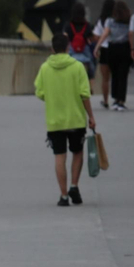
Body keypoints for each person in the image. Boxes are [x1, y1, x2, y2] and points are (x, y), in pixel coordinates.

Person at [33, 35, 98, 207]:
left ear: (52, 49)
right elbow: (85, 94)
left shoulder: (45, 68)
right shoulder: (77, 67)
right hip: (76, 119)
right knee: (77, 152)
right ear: (68, 47)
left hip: (55, 121)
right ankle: (74, 186)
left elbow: (39, 92)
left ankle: (63, 196)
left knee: (59, 156)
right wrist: (91, 116)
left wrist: (53, 97)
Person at [101, 0, 133, 112]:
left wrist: (98, 46)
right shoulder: (129, 21)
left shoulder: (110, 20)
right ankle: (121, 100)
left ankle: (114, 98)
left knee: (114, 74)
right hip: (124, 48)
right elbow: (131, 35)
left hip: (112, 48)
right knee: (123, 75)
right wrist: (133, 48)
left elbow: (105, 33)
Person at [63, 2, 96, 80]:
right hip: (85, 52)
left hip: (72, 51)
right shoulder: (87, 25)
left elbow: (64, 38)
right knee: (91, 68)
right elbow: (92, 39)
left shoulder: (68, 25)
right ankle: (90, 84)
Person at [92, 0, 115, 107]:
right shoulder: (117, 19)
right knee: (116, 76)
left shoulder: (100, 20)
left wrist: (101, 40)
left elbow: (95, 36)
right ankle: (117, 99)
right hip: (116, 47)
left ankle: (106, 100)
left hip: (105, 49)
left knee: (105, 78)